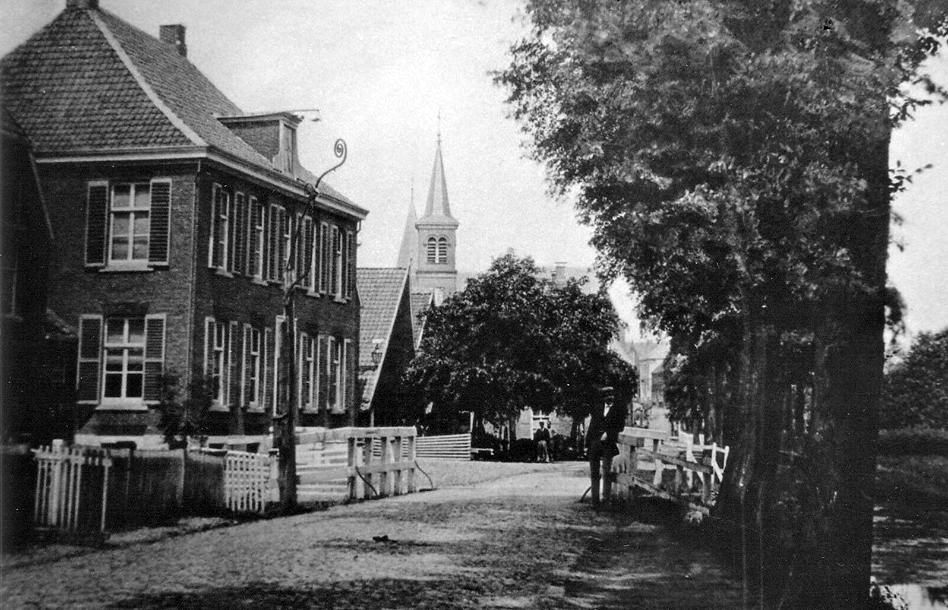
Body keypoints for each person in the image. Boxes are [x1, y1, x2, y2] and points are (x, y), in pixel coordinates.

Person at [585, 386, 628, 507]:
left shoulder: (618, 411)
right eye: (607, 395)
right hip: (595, 443)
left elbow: (620, 427)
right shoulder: (598, 409)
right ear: (603, 397)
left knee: (607, 472)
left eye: (611, 395)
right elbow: (592, 426)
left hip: (608, 444)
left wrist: (608, 434)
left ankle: (606, 499)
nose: (610, 398)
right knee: (594, 472)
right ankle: (595, 501)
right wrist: (587, 444)